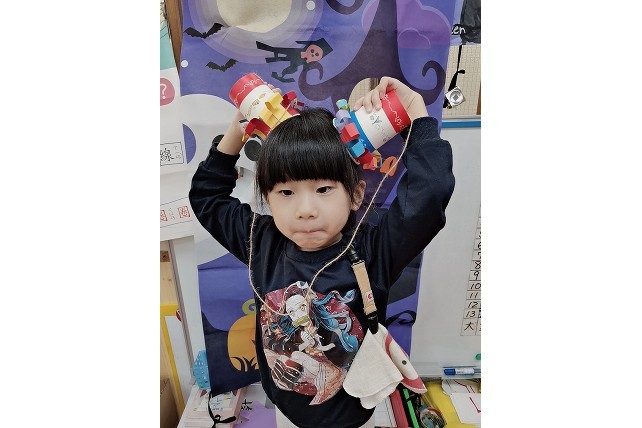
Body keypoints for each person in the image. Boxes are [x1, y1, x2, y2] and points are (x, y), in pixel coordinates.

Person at [189, 76, 456, 428]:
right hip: (283, 402)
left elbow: (431, 191)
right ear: (268, 198)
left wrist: (415, 110)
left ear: (355, 195)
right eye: (286, 193)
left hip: (351, 414)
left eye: (324, 189)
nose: (305, 210)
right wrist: (239, 128)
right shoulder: (260, 240)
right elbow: (206, 196)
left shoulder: (375, 251)